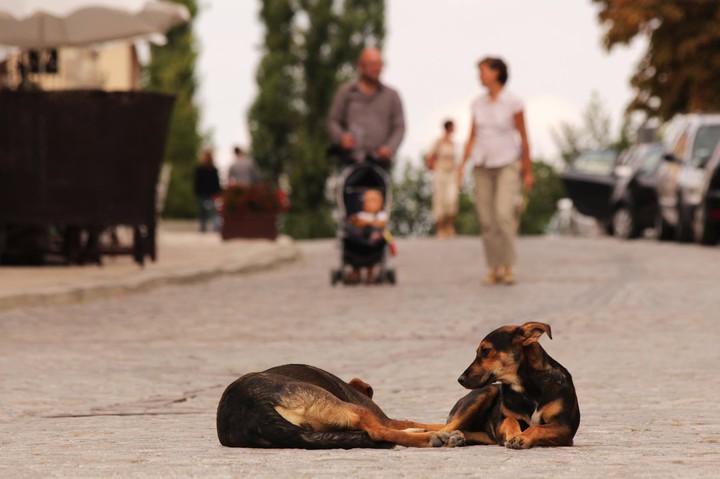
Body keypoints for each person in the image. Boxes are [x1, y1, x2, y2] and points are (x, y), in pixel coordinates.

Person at [456, 56, 535, 285]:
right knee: (486, 219)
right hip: (482, 165)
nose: (479, 76)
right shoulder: (477, 104)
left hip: (507, 163)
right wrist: (462, 166)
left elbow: (524, 138)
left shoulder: (513, 102)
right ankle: (494, 267)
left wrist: (528, 171)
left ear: (496, 73)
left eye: (483, 71)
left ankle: (508, 266)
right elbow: (471, 137)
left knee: (503, 215)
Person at [327, 47, 405, 169]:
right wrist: (341, 138)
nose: (376, 68)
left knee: (378, 188)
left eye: (379, 64)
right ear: (360, 66)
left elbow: (399, 126)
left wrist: (389, 148)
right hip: (350, 161)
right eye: (372, 64)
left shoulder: (392, 95)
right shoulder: (346, 92)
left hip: (380, 163)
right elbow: (333, 121)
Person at [347, 189, 394, 284]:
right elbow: (354, 220)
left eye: (375, 201)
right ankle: (356, 271)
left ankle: (370, 272)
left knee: (378, 231)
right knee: (353, 232)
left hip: (374, 245)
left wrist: (391, 244)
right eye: (368, 201)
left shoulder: (381, 215)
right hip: (358, 243)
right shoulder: (361, 215)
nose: (371, 204)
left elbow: (383, 226)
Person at [426, 119, 459, 239]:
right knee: (439, 200)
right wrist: (433, 168)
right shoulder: (438, 142)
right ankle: (440, 229)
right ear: (448, 128)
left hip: (451, 174)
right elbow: (430, 156)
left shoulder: (453, 143)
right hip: (440, 173)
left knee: (451, 199)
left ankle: (450, 226)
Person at [193, 149, 222, 233]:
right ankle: (213, 228)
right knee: (212, 212)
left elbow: (197, 183)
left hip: (204, 193)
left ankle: (204, 227)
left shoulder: (201, 169)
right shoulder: (212, 169)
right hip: (209, 193)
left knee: (204, 212)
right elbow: (216, 183)